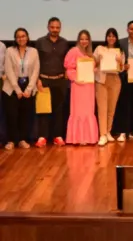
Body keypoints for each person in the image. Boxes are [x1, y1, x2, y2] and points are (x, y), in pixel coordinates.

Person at [2, 28, 39, 150]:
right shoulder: (9, 51)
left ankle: (22, 139)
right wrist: (17, 89)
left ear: (27, 37)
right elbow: (9, 70)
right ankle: (11, 140)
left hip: (28, 85)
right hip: (11, 87)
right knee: (11, 114)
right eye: (18, 37)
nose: (21, 38)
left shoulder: (33, 51)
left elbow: (35, 71)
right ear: (15, 38)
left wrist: (29, 89)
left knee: (25, 114)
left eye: (23, 36)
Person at [35, 17, 69, 147]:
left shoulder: (65, 43)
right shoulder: (40, 42)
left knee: (59, 110)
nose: (55, 30)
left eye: (57, 27)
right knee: (44, 110)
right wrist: (38, 79)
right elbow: (36, 62)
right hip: (44, 80)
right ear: (48, 27)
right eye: (52, 27)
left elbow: (67, 62)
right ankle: (42, 136)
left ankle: (57, 136)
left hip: (60, 81)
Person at [64, 30, 99, 145]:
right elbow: (69, 69)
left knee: (88, 111)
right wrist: (75, 79)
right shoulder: (74, 51)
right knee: (78, 111)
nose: (84, 41)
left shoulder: (90, 54)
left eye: (86, 39)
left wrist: (93, 70)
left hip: (89, 86)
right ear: (78, 40)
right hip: (78, 86)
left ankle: (89, 138)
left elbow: (91, 69)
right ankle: (77, 138)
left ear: (89, 41)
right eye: (82, 39)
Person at [94, 28, 125, 147]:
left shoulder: (119, 51)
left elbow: (122, 69)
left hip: (115, 80)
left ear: (116, 38)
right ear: (106, 37)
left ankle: (108, 132)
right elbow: (93, 63)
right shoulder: (99, 49)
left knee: (111, 108)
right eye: (109, 36)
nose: (111, 38)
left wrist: (120, 62)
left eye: (113, 36)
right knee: (102, 108)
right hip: (102, 80)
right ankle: (102, 135)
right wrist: (98, 62)